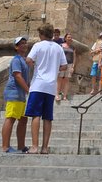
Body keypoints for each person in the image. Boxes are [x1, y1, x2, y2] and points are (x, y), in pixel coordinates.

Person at [24, 23, 67, 154]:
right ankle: (44, 147)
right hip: (51, 86)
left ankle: (34, 146)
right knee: (47, 117)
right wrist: (54, 68)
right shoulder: (58, 48)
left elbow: (28, 60)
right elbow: (64, 66)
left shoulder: (38, 45)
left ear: (42, 34)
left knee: (35, 115)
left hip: (38, 84)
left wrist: (36, 65)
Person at [1, 36, 30, 153]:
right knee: (11, 118)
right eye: (21, 43)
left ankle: (21, 146)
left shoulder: (24, 60)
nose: (24, 45)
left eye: (25, 43)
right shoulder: (16, 60)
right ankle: (5, 147)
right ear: (16, 47)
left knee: (23, 119)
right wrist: (28, 90)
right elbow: (17, 76)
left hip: (21, 95)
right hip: (14, 93)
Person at [56, 33, 76, 101]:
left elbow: (74, 57)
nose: (70, 38)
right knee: (59, 79)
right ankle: (57, 95)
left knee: (66, 80)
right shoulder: (61, 46)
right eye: (68, 37)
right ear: (65, 38)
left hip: (69, 65)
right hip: (62, 64)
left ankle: (64, 96)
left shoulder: (73, 47)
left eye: (71, 37)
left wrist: (73, 66)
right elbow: (58, 55)